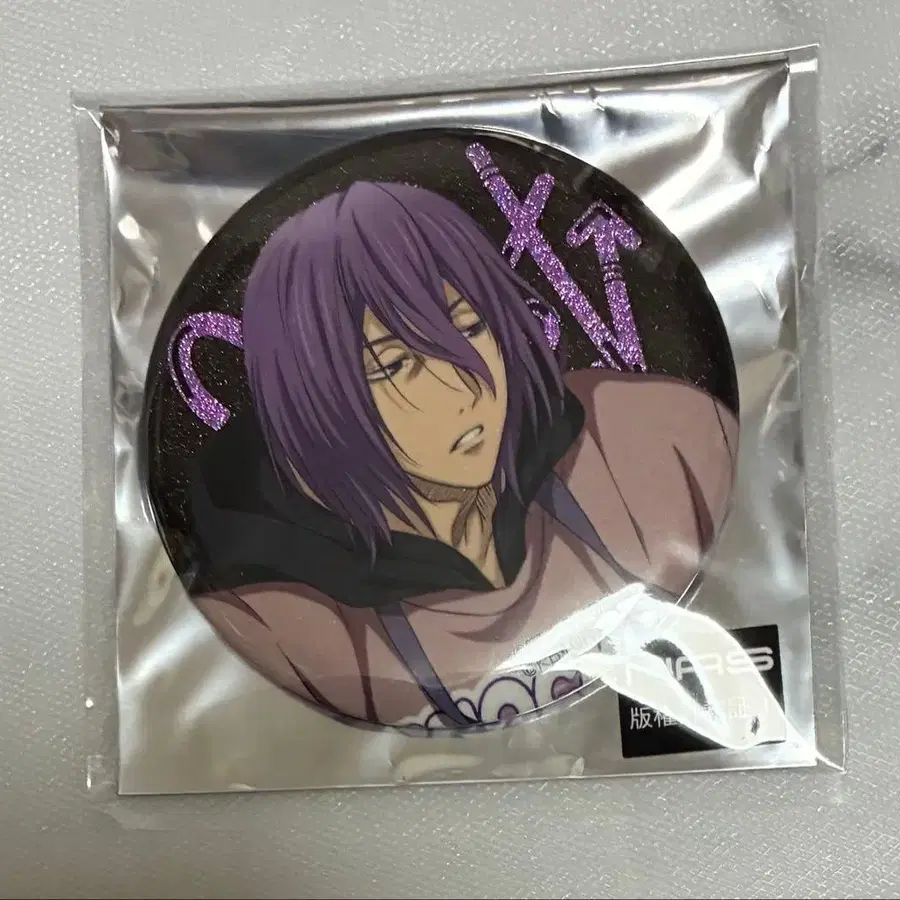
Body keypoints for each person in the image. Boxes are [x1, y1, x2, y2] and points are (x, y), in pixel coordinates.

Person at [186, 181, 739, 732]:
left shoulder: (652, 437)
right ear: (313, 400)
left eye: (469, 327)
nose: (462, 391)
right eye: (395, 366)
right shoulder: (275, 627)